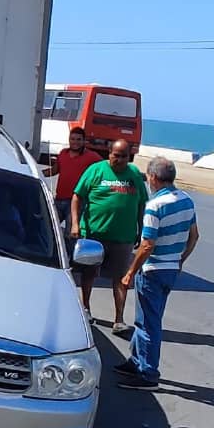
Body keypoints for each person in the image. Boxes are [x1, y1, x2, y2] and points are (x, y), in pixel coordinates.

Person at [115, 156, 200, 390]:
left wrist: (129, 272)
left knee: (147, 324)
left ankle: (148, 373)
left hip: (153, 270)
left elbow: (147, 245)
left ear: (152, 177)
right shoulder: (187, 200)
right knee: (150, 318)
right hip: (171, 269)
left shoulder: (155, 205)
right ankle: (136, 361)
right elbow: (194, 236)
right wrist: (179, 260)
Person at [70, 139, 147, 332]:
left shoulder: (135, 175)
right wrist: (75, 224)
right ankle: (85, 308)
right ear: (109, 153)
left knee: (121, 278)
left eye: (124, 156)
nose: (120, 160)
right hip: (94, 235)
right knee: (89, 274)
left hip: (124, 237)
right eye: (116, 155)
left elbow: (141, 204)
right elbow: (77, 196)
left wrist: (141, 228)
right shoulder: (95, 170)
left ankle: (119, 319)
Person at [47, 127, 102, 226]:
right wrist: (35, 173)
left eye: (78, 139)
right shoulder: (63, 153)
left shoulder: (91, 156)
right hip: (59, 199)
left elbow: (104, 168)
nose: (75, 142)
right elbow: (54, 170)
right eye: (72, 139)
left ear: (84, 141)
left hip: (76, 202)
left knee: (70, 234)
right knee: (48, 228)